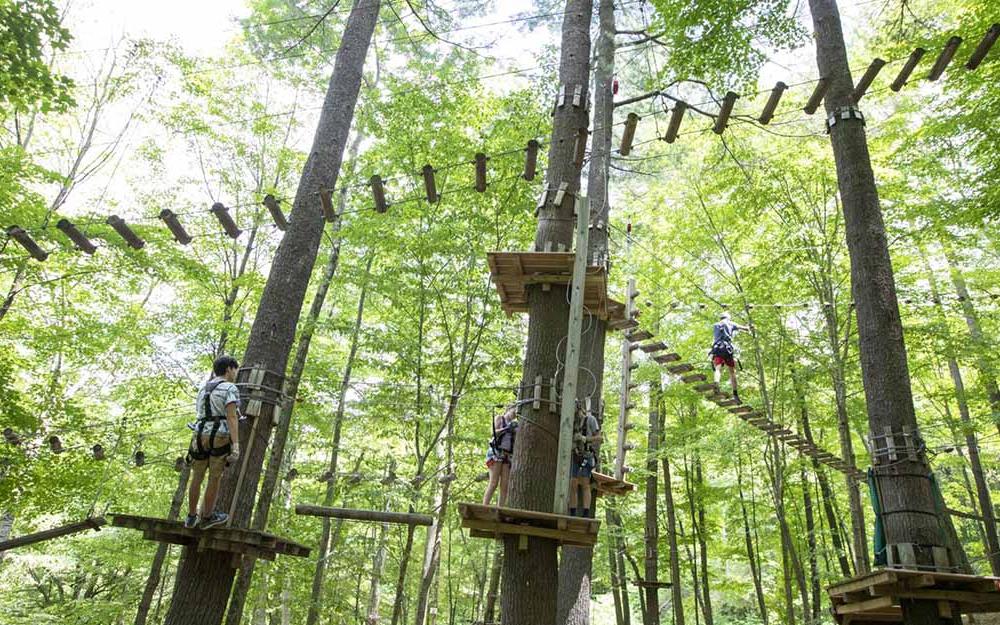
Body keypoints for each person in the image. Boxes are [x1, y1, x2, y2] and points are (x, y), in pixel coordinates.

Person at [184, 355, 241, 529]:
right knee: (214, 478)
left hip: (199, 435)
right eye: (235, 369)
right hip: (220, 436)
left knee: (197, 477)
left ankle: (192, 516)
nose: (236, 373)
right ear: (229, 369)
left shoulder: (203, 389)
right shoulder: (230, 388)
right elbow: (231, 416)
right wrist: (236, 445)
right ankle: (207, 517)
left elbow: (200, 412)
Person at [710, 312, 751, 403]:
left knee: (718, 368)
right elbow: (745, 328)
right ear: (728, 318)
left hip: (717, 348)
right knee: (732, 372)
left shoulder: (716, 325)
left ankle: (716, 383)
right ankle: (735, 394)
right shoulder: (730, 323)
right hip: (727, 349)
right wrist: (748, 326)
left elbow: (715, 337)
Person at [482, 403, 518, 506]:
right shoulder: (500, 418)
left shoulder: (514, 425)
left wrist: (515, 431)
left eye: (516, 414)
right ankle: (485, 506)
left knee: (505, 485)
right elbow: (494, 433)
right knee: (493, 483)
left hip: (507, 456)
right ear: (508, 409)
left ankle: (500, 509)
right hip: (496, 453)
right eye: (513, 412)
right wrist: (506, 429)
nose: (514, 415)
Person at [569, 408, 602, 518]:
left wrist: (585, 438)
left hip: (586, 455)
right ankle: (573, 512)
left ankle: (586, 513)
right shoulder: (572, 422)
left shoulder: (590, 420)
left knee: (585, 484)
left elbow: (599, 437)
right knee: (573, 484)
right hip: (575, 455)